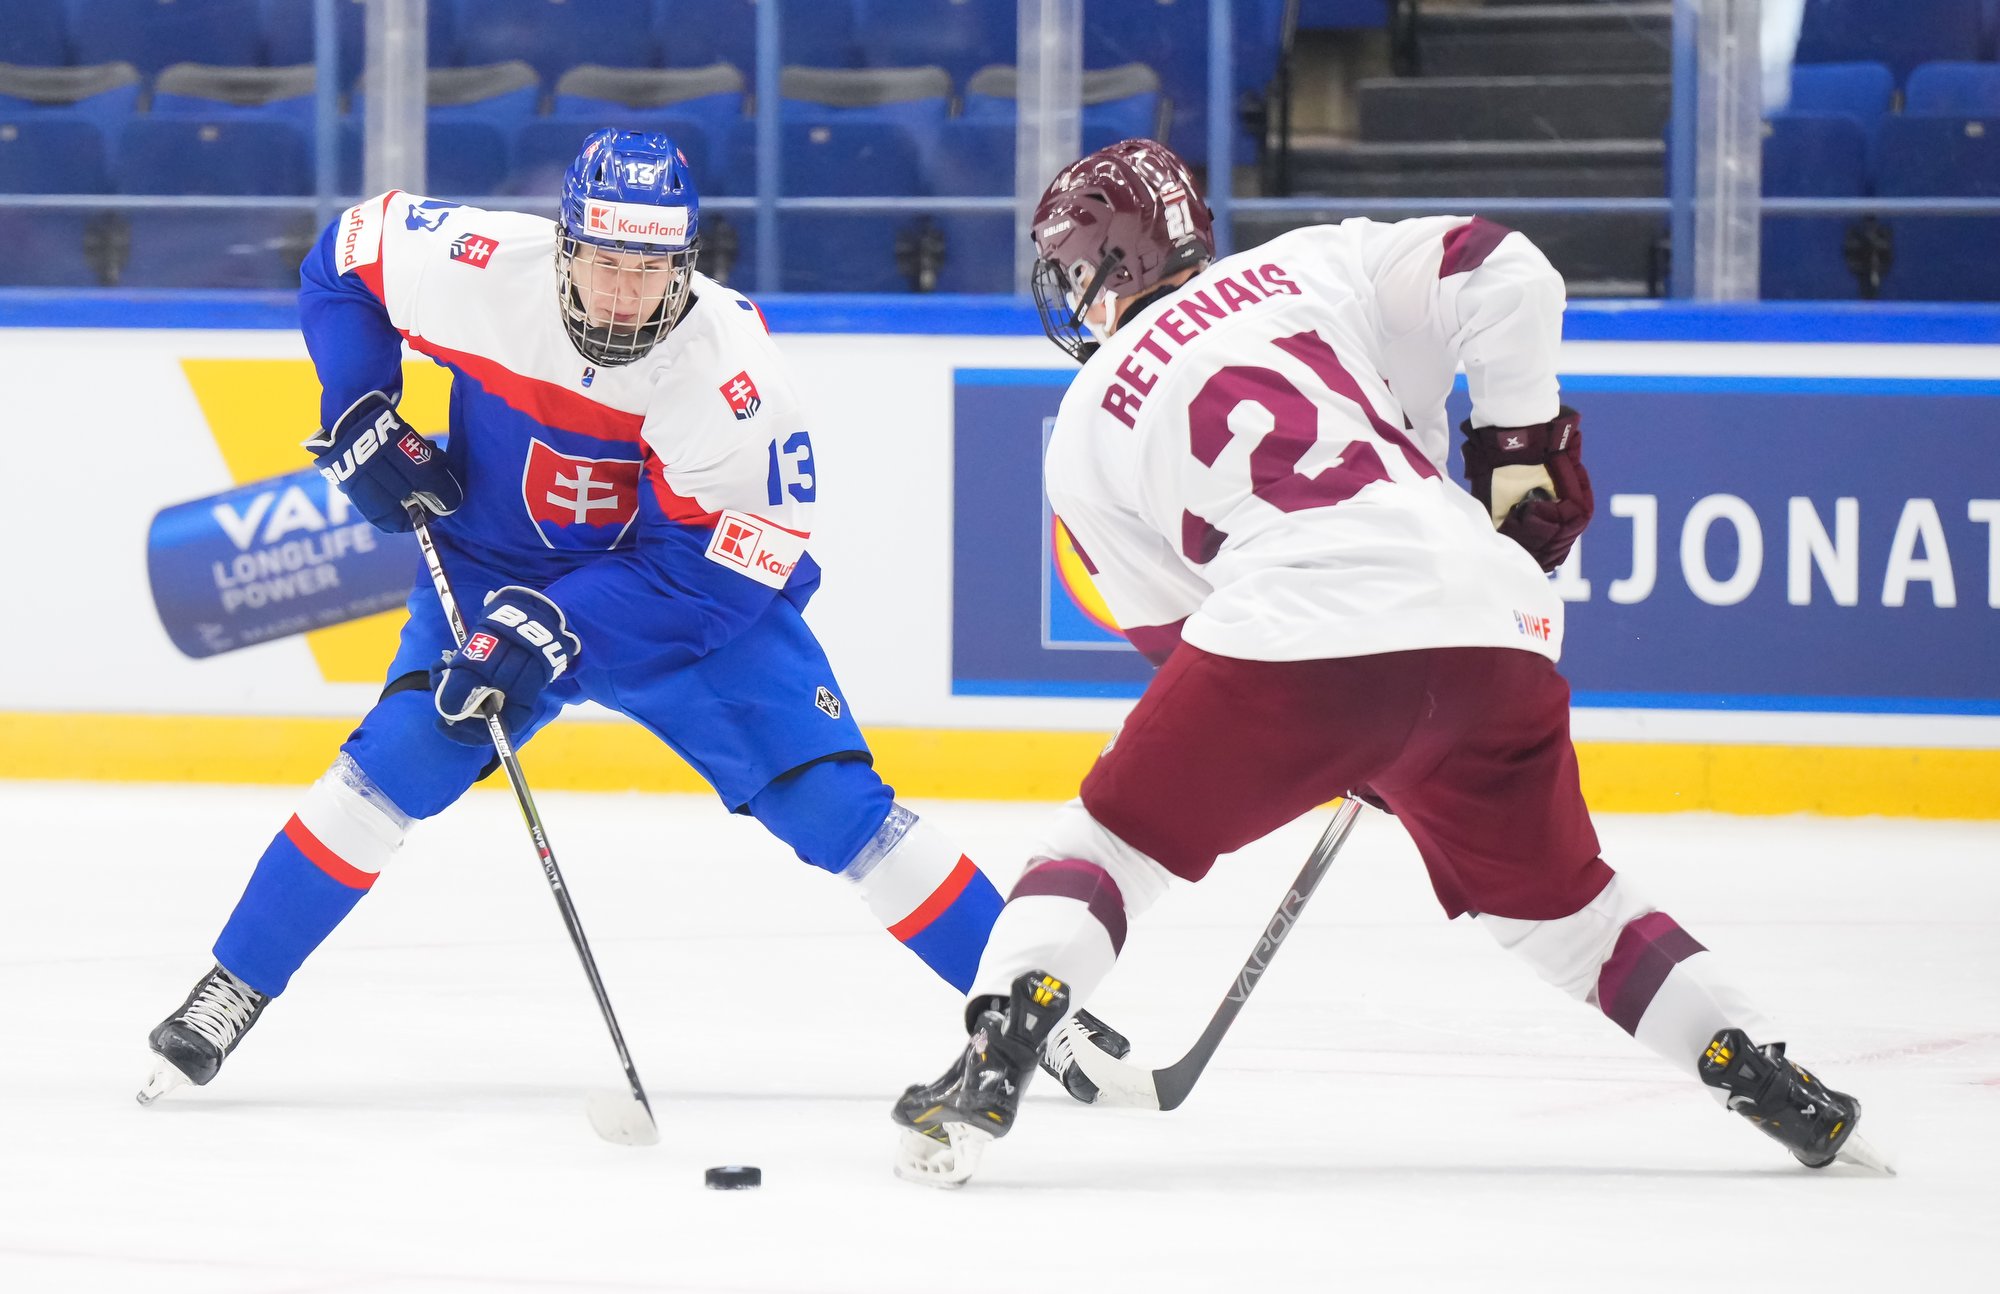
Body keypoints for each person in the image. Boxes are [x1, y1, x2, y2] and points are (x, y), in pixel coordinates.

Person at [892, 138, 1878, 1186]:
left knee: (1110, 846)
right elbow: (1507, 269)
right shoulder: (1312, 264)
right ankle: (1762, 1069)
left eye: (1070, 270)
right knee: (1566, 913)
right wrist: (1519, 448)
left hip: (1300, 628)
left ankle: (994, 1054)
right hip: (1495, 612)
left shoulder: (1086, 425)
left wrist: (1339, 735)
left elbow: (1186, 645)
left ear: (1104, 263)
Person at [138, 129, 1129, 1105]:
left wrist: (557, 621)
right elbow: (345, 259)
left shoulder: (732, 377)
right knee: (392, 763)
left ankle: (1033, 1014)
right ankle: (234, 983)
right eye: (604, 263)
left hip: (675, 607)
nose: (623, 293)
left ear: (684, 267)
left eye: (650, 271)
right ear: (562, 246)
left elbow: (725, 572)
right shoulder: (480, 269)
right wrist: (362, 405)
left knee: (836, 809)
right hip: (494, 571)